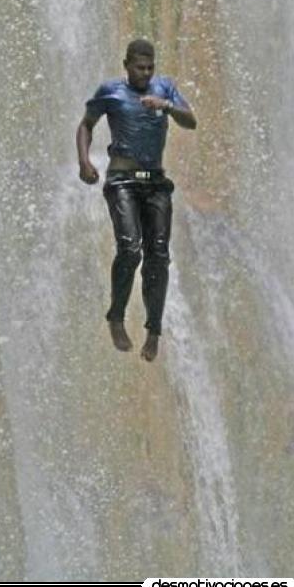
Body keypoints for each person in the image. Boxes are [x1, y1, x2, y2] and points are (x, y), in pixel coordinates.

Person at [76, 39, 197, 362]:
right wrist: (85, 162)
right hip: (122, 181)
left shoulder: (165, 89)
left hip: (156, 183)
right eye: (139, 67)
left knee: (158, 257)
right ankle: (116, 317)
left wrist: (166, 106)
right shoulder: (110, 92)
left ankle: (153, 330)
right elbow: (86, 125)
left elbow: (191, 120)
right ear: (126, 64)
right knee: (130, 248)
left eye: (150, 67)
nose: (145, 73)